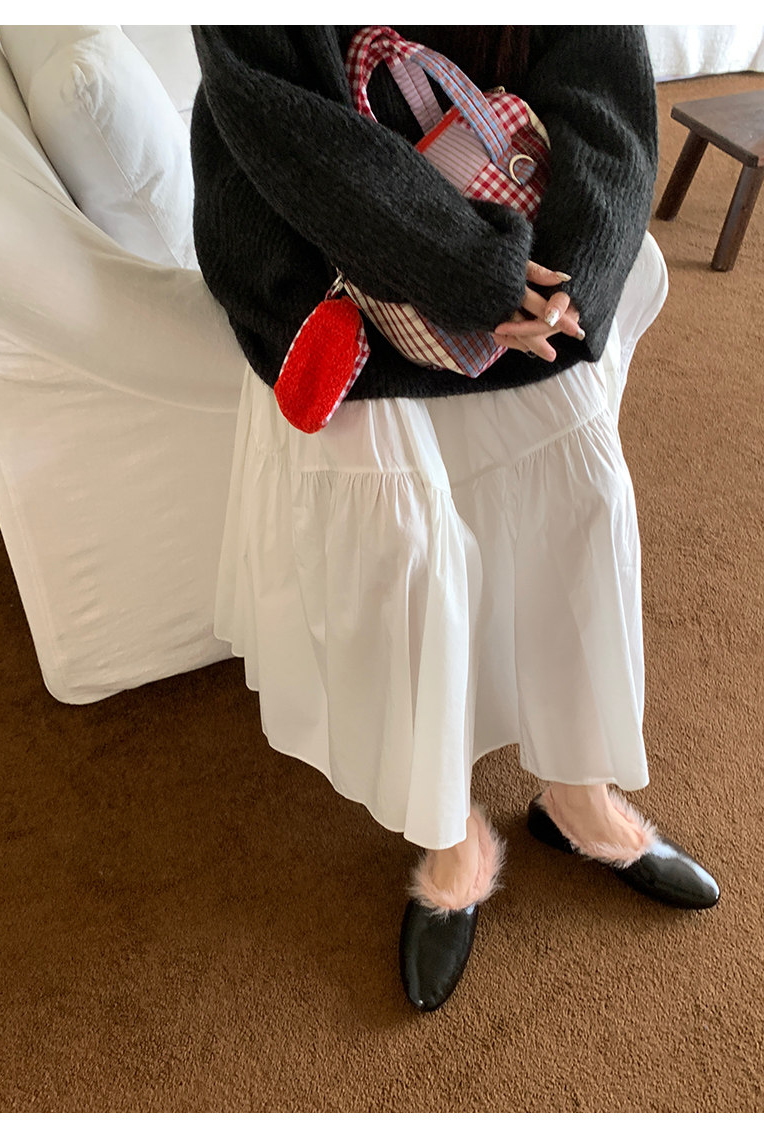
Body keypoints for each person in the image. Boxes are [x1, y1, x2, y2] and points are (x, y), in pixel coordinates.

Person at [189, 25, 720, 1013]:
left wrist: (570, 272)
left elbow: (602, 81)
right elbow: (283, 123)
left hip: (517, 252)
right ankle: (448, 837)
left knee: (583, 495)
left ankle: (577, 793)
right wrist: (472, 272)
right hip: (326, 267)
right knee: (406, 550)